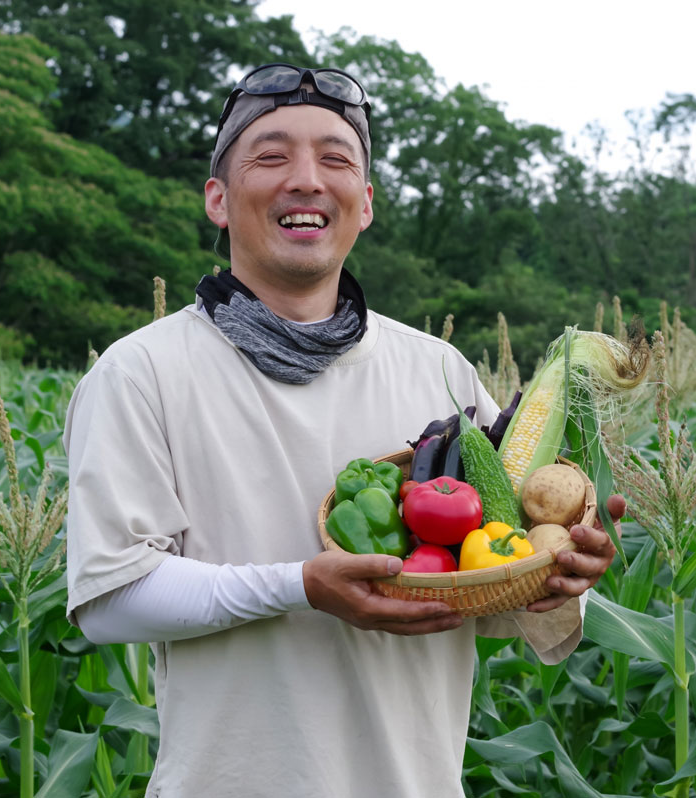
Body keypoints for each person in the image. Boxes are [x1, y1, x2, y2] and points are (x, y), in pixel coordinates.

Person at [63, 62, 622, 798]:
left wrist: (556, 577)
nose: (306, 179)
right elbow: (110, 599)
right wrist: (300, 587)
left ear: (364, 205)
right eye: (271, 156)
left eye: (336, 159)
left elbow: (487, 580)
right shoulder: (143, 373)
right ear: (218, 200)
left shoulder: (442, 373)